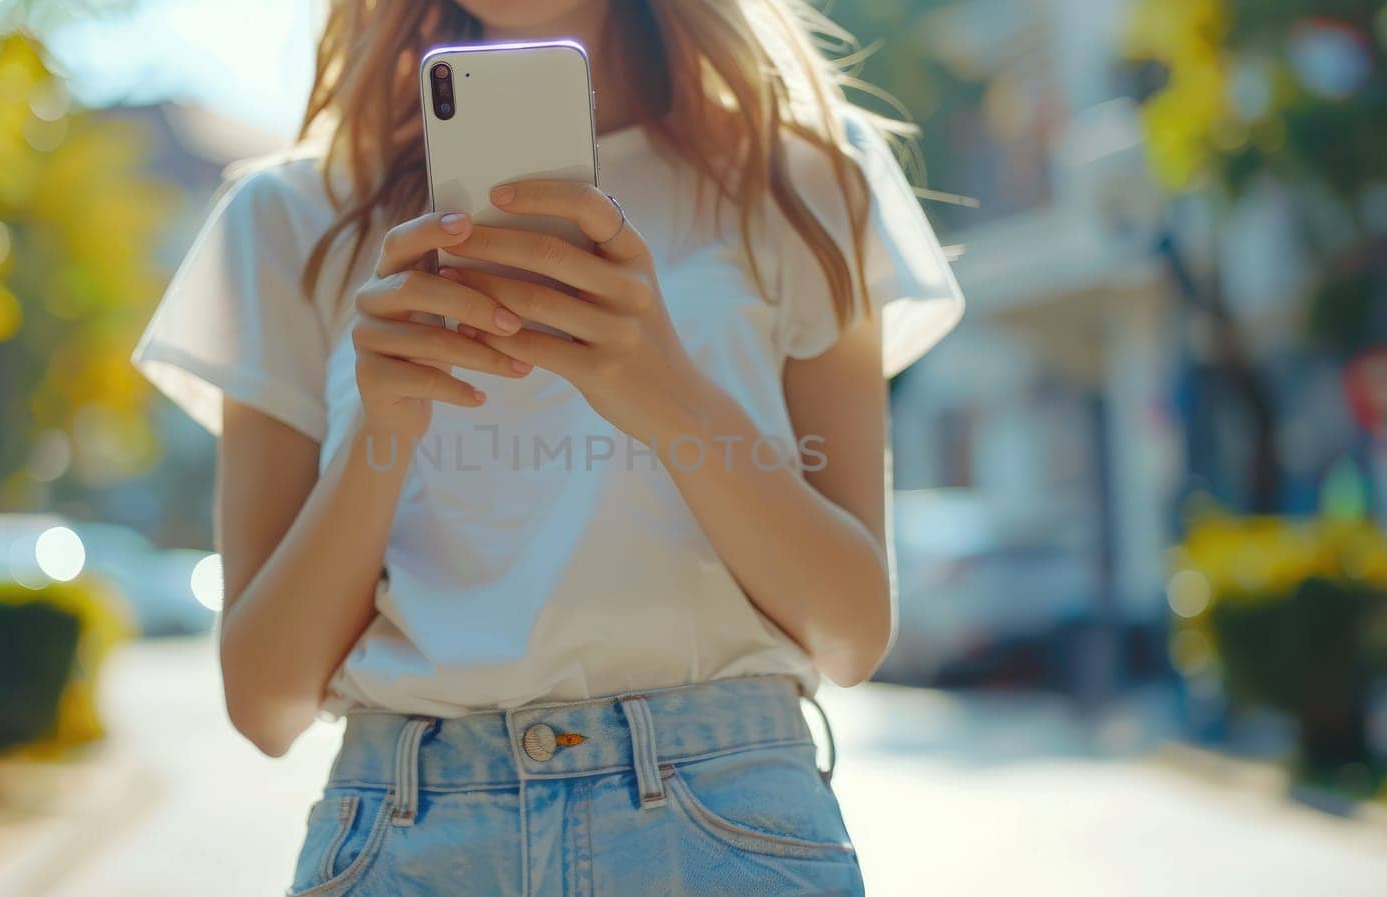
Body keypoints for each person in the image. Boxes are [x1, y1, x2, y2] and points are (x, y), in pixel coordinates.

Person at [133, 0, 962, 893]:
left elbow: (850, 632)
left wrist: (666, 391)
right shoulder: (289, 216)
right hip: (406, 837)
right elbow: (265, 703)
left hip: (725, 830)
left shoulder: (803, 179)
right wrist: (384, 426)